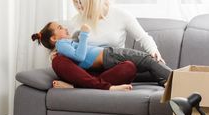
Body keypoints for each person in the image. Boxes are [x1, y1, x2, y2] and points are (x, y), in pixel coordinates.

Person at [51, 0, 166, 89]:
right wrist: (57, 53)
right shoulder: (76, 21)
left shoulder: (120, 15)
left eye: (80, 2)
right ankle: (92, 84)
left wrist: (153, 50)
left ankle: (79, 86)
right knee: (58, 61)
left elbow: (143, 37)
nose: (78, 6)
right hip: (87, 70)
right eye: (75, 2)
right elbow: (72, 47)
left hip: (112, 66)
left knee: (129, 67)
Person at [32, 22, 171, 90]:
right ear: (53, 39)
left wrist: (80, 35)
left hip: (107, 56)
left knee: (144, 67)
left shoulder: (65, 44)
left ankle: (165, 80)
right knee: (147, 60)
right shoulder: (61, 45)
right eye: (60, 28)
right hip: (108, 55)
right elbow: (80, 56)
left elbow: (78, 52)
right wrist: (85, 34)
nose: (64, 28)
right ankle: (180, 80)